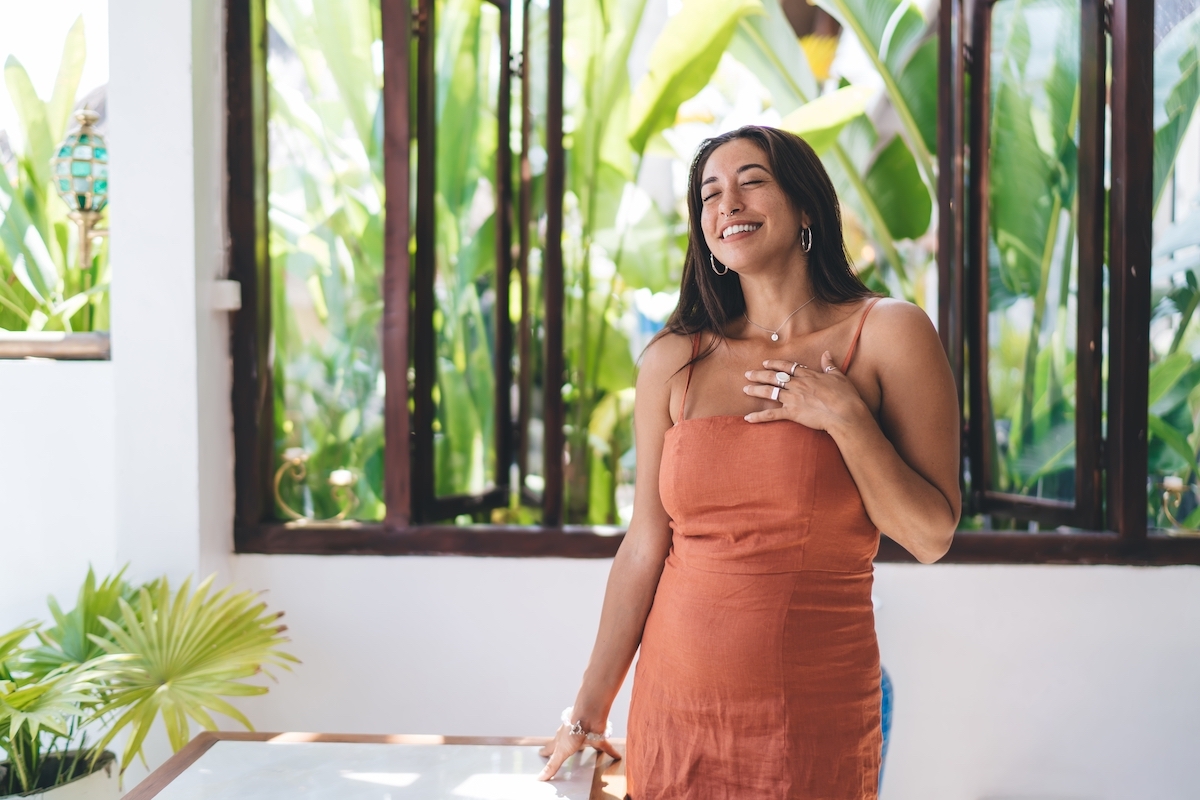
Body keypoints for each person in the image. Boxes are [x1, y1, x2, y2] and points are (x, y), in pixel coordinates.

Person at [537, 125, 960, 798]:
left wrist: (846, 419)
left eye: (751, 182)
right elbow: (645, 545)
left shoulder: (887, 335)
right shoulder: (674, 360)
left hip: (811, 713)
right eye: (709, 194)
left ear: (807, 209)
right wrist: (586, 715)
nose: (726, 204)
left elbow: (931, 534)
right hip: (675, 711)